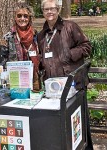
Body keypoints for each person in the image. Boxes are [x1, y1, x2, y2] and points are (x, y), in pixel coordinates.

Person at [37, 0, 93, 149]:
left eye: (53, 9)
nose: (50, 12)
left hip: (73, 85)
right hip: (53, 89)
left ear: (58, 10)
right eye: (46, 9)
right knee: (61, 124)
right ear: (42, 11)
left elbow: (87, 46)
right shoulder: (41, 35)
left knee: (79, 124)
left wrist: (69, 54)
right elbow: (43, 57)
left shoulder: (70, 26)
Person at [0, 2, 41, 91]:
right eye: (19, 16)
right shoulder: (8, 37)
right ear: (15, 18)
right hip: (16, 80)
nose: (22, 18)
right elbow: (2, 61)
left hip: (35, 78)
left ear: (29, 18)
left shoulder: (36, 35)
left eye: (25, 16)